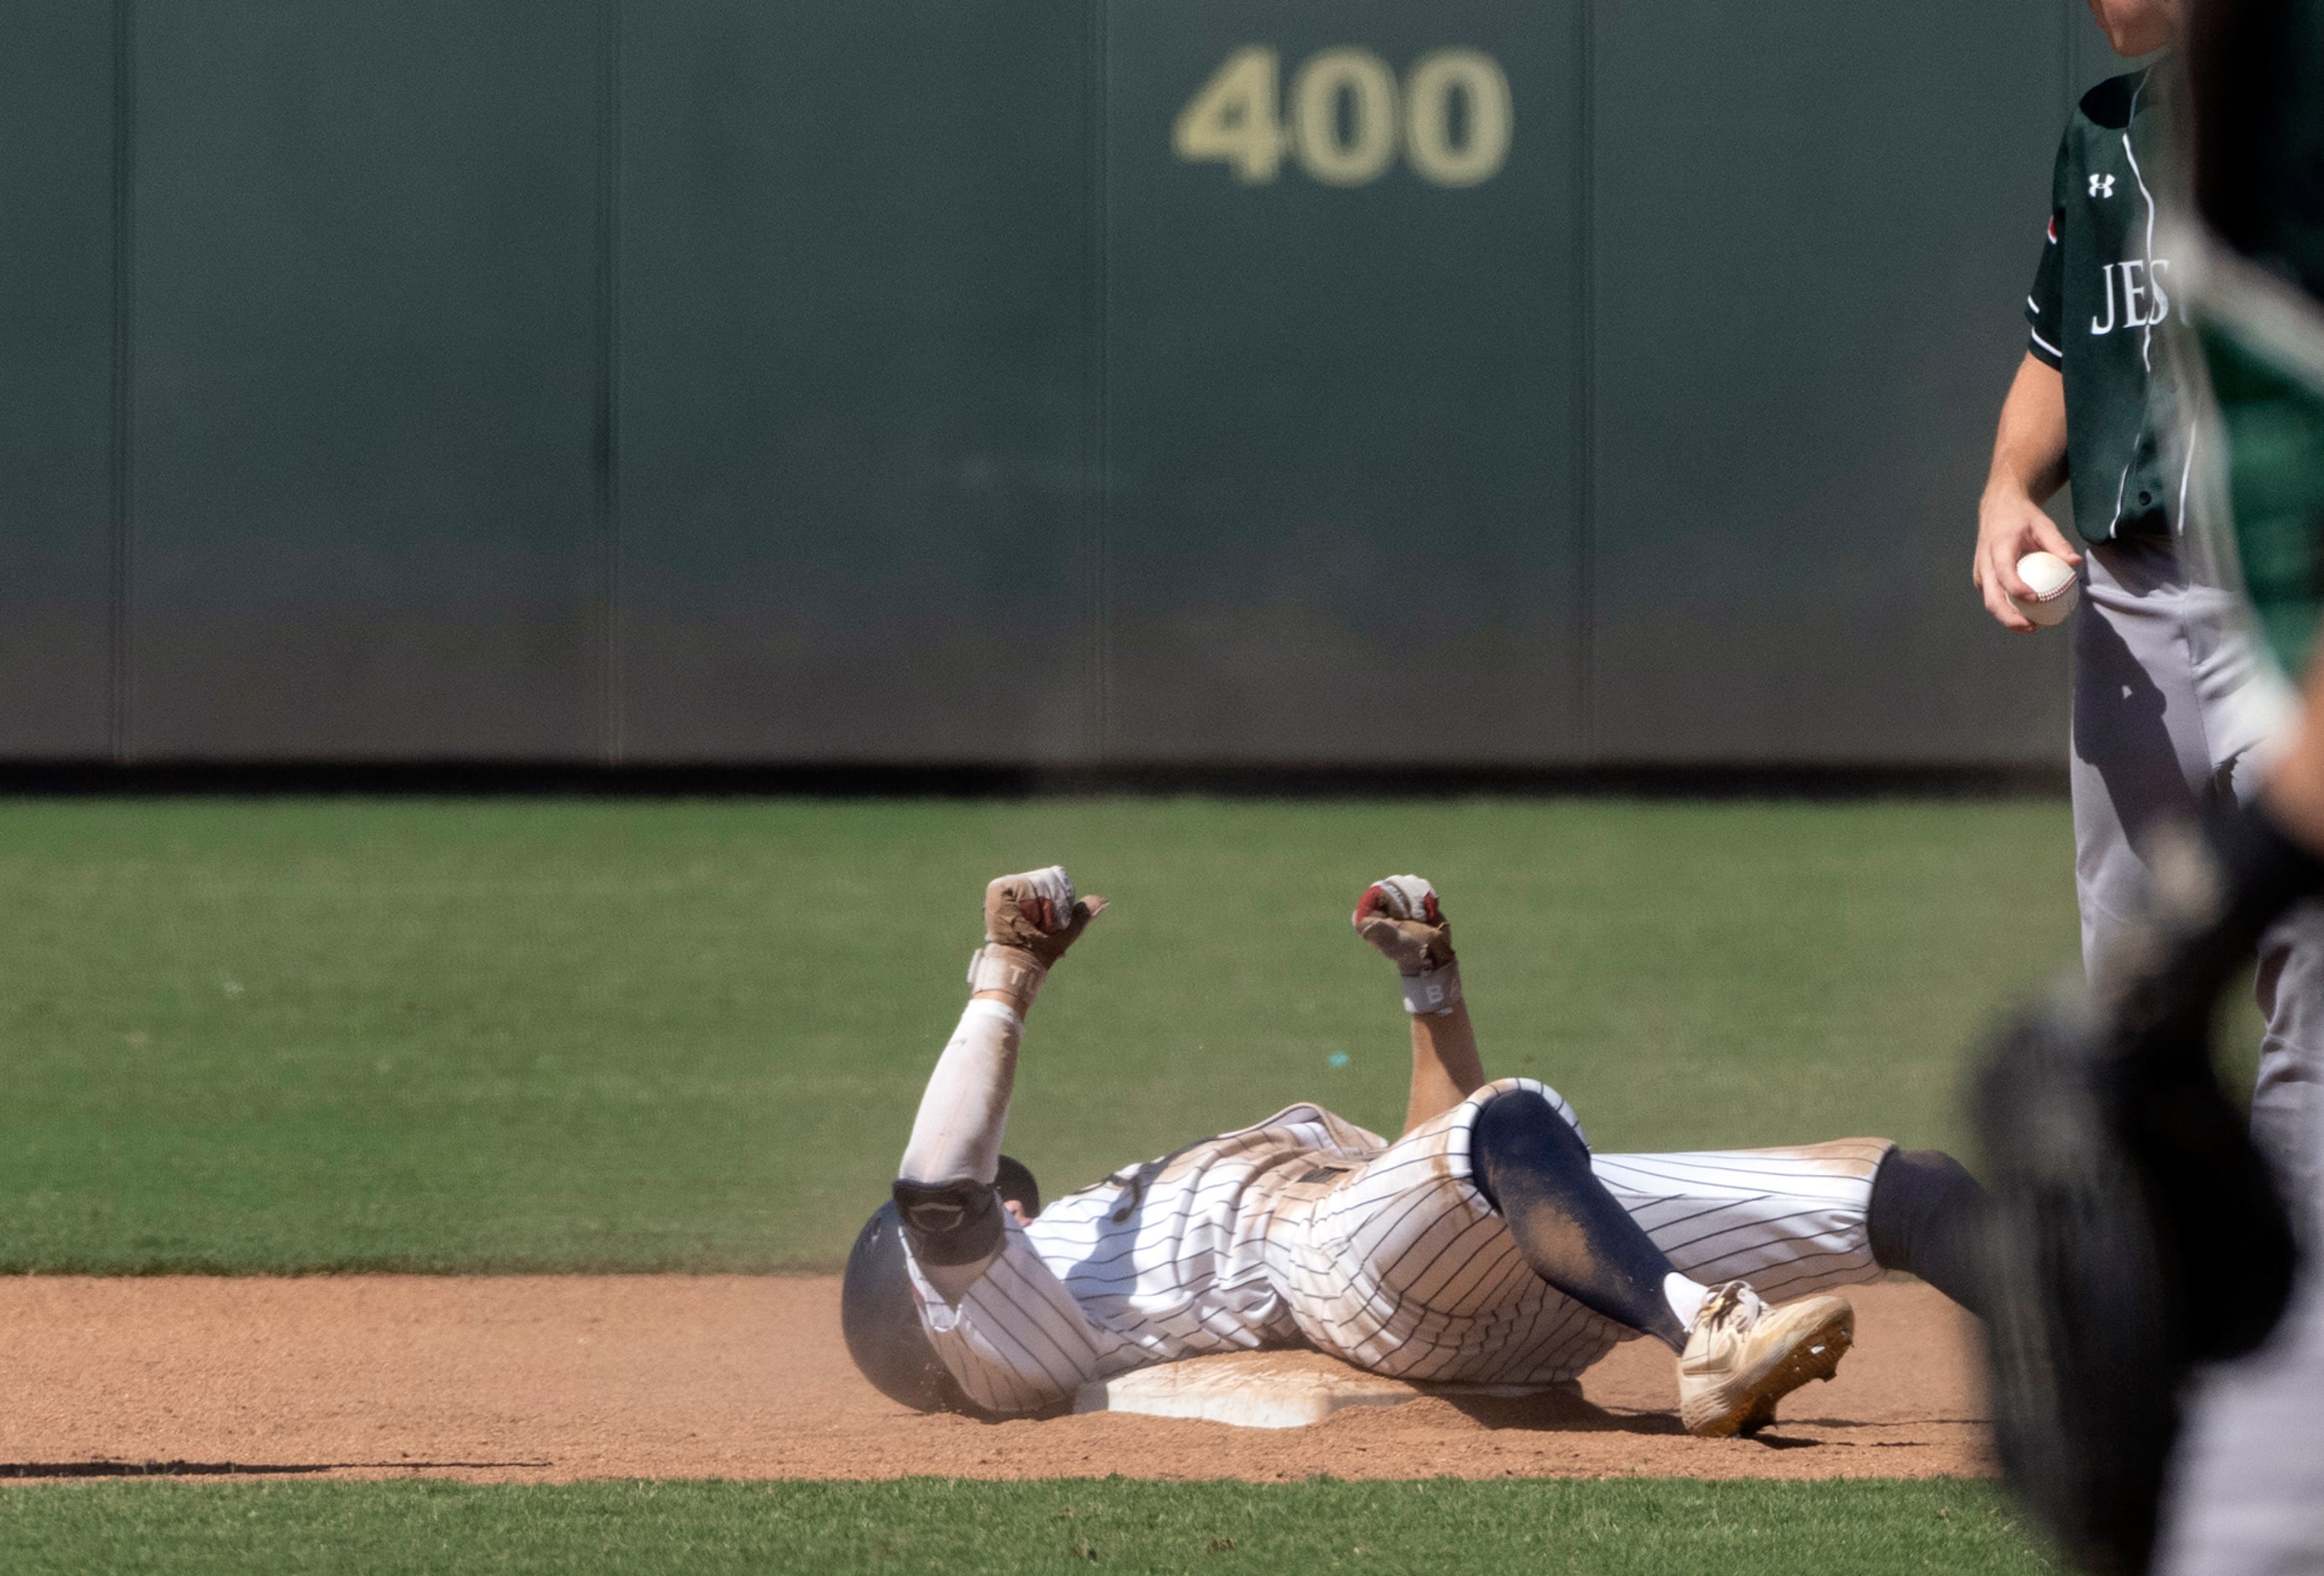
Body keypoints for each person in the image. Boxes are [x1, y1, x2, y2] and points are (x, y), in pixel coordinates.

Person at [842, 866, 1988, 1438]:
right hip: (1338, 1283)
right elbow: (940, 1196)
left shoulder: (1072, 1241)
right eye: (1003, 1205)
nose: (1012, 1204)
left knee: (1899, 1184)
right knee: (1505, 1119)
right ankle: (1705, 1338)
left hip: (1458, 1270)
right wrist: (1008, 977)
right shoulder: (990, 1341)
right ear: (923, 1316)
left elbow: (1444, 1172)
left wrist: (1429, 988)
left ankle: (2135, 1350)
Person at [1972, 0, 2324, 1193]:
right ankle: (2150, 1280)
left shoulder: (2293, 116)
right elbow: (2059, 345)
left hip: (2277, 591)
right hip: (2127, 605)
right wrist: (2007, 483)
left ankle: (2301, 1333)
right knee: (2132, 977)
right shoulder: (2099, 128)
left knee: (2306, 982)